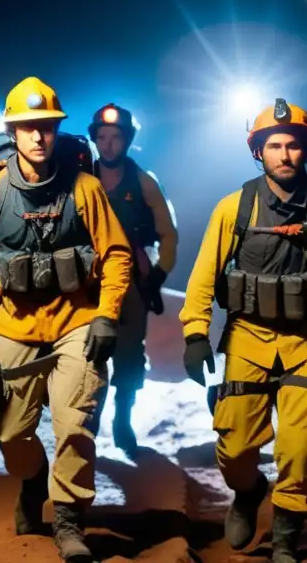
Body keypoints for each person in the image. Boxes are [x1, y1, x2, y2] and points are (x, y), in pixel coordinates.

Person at [0, 76, 133, 563]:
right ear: (12, 133)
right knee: (11, 433)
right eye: (27, 128)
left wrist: (107, 315)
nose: (37, 136)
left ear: (56, 131)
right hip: (16, 326)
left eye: (46, 127)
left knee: (75, 424)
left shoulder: (86, 189)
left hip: (77, 322)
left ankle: (69, 521)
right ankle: (32, 481)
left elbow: (116, 254)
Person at [178, 98, 307, 563]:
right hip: (247, 338)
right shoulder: (235, 209)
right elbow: (204, 273)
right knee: (236, 446)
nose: (284, 155)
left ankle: (285, 536)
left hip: (305, 341)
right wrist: (195, 332)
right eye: (274, 145)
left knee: (298, 446)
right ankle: (247, 492)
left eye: (293, 146)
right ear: (258, 152)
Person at [88, 103, 179, 453]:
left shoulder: (143, 182)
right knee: (88, 354)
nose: (109, 145)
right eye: (103, 137)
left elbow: (168, 234)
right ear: (95, 139)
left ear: (128, 140)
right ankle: (88, 422)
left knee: (128, 356)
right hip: (89, 284)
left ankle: (122, 420)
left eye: (116, 137)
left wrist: (157, 275)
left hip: (130, 284)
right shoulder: (82, 179)